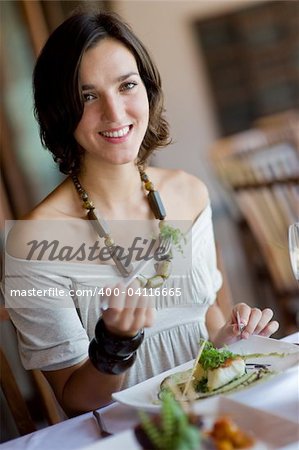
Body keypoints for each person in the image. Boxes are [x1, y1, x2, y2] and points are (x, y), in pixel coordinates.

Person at [4, 10, 279, 417]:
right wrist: (114, 344)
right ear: (59, 109)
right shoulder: (33, 241)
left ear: (147, 90)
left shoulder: (188, 193)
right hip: (132, 433)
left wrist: (230, 338)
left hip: (217, 418)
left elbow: (207, 319)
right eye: (88, 96)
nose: (115, 114)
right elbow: (78, 401)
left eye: (126, 86)